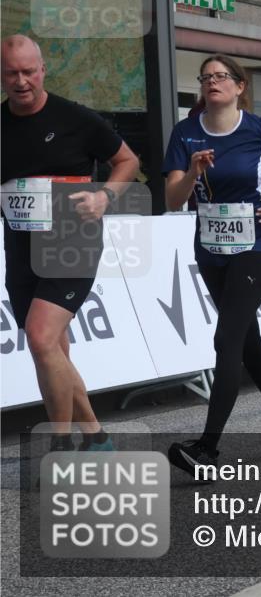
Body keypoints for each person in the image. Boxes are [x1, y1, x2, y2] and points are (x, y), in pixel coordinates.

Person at [163, 54, 261, 477]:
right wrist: (191, 173)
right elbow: (173, 200)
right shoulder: (186, 133)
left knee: (227, 338)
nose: (213, 82)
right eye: (206, 77)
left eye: (221, 76)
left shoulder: (260, 129)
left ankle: (208, 448)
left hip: (259, 243)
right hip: (211, 248)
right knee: (246, 337)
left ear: (239, 85)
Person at [1, 35, 140, 452]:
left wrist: (104, 197)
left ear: (43, 70)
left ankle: (60, 445)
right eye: (12, 73)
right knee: (52, 351)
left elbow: (128, 161)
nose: (22, 81)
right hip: (21, 248)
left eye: (29, 71)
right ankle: (96, 436)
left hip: (71, 244)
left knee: (42, 338)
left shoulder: (76, 119)